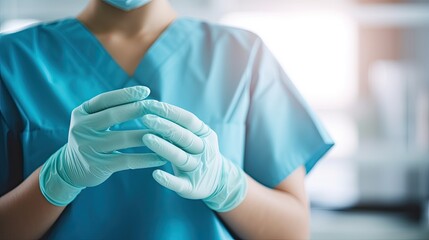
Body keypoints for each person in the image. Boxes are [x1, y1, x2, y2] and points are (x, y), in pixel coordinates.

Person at [0, 0, 334, 239]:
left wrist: (226, 185)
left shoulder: (243, 56)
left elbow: (292, 231)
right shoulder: (11, 62)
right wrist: (57, 179)